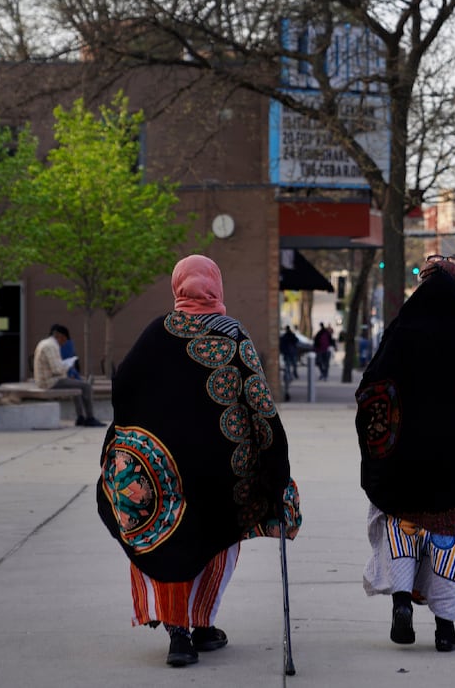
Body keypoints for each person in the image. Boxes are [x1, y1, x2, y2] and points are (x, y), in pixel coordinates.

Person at [97, 254, 302, 668]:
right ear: (216, 287)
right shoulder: (232, 335)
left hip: (163, 472)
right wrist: (276, 468)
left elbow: (123, 390)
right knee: (214, 539)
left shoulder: (155, 333)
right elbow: (260, 406)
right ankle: (203, 623)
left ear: (178, 287)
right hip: (219, 473)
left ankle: (180, 632)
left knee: (167, 536)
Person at [354, 255, 455, 653]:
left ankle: (401, 604)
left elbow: (370, 391)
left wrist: (385, 440)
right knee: (449, 543)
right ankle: (445, 630)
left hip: (404, 470)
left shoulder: (400, 332)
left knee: (403, 532)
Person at [33, 324, 104, 427]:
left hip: (46, 380)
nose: (64, 343)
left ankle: (80, 417)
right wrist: (67, 365)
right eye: (64, 340)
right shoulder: (51, 346)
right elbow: (56, 369)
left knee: (76, 384)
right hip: (50, 382)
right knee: (86, 386)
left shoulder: (45, 343)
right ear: (60, 336)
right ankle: (90, 418)